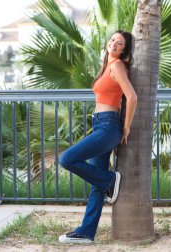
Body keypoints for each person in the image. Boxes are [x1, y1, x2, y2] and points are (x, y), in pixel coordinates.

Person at [58, 30, 137, 244]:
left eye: (119, 43)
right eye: (112, 40)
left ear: (124, 50)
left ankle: (110, 179)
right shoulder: (108, 66)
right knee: (97, 184)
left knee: (66, 159)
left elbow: (131, 96)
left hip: (108, 127)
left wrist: (126, 127)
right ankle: (86, 233)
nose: (114, 44)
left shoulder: (118, 66)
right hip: (100, 124)